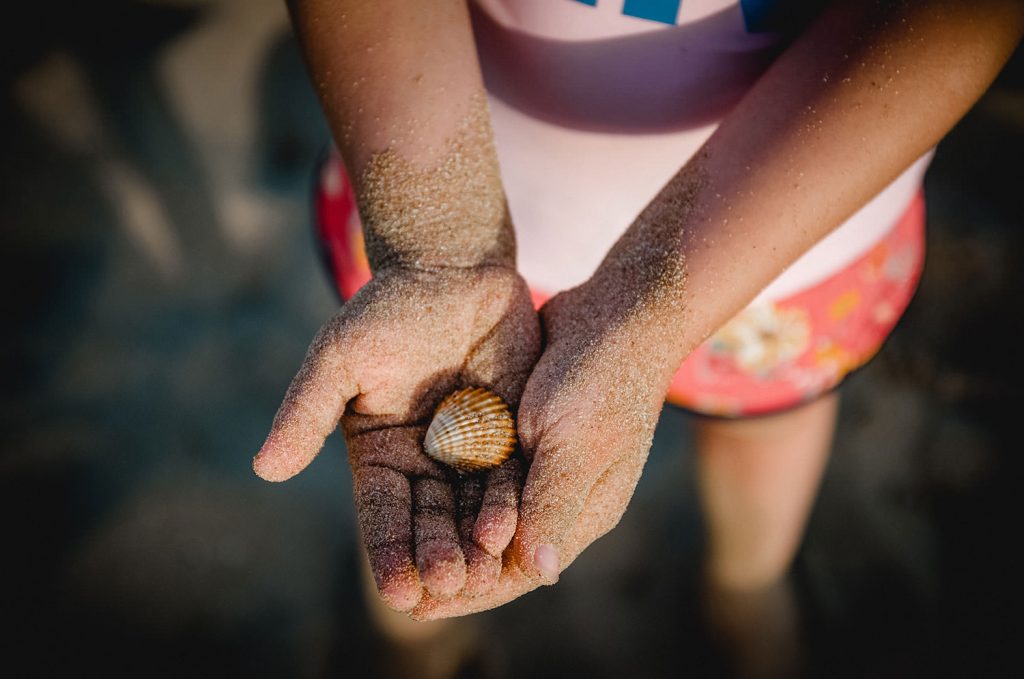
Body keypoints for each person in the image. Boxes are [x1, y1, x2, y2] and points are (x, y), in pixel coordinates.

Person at [254, 0, 1022, 636]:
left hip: (784, 256)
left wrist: (654, 302)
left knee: (764, 438)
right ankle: (416, 616)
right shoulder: (435, 247)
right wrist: (438, 248)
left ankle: (746, 583)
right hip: (440, 210)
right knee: (422, 535)